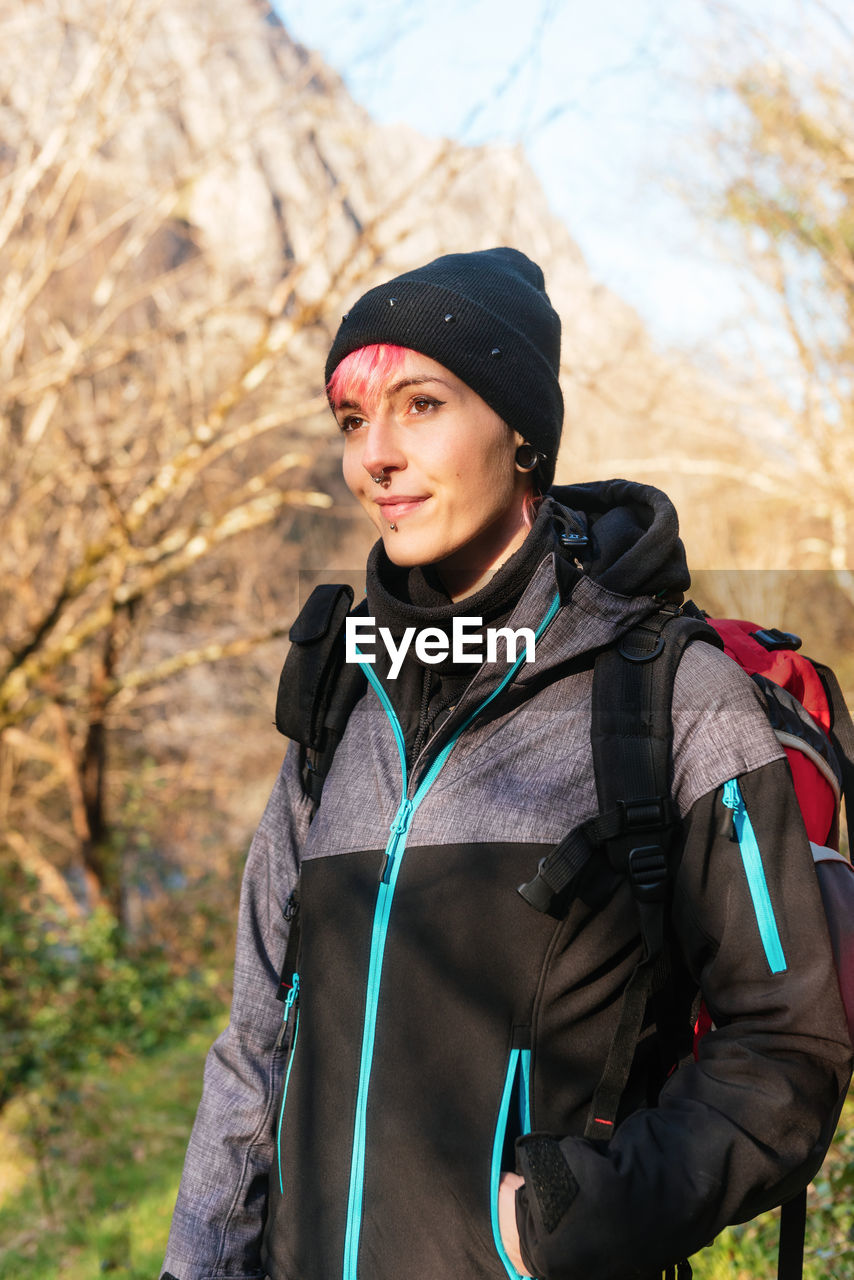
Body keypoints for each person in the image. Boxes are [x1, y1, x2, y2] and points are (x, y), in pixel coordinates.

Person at [161, 247, 852, 1280]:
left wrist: (570, 1219)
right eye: (353, 421)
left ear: (523, 431)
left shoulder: (669, 697)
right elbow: (257, 1045)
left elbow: (789, 1044)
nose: (373, 459)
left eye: (420, 404)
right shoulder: (340, 704)